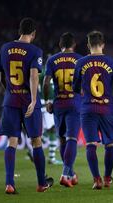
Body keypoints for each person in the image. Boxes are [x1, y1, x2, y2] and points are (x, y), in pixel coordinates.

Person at [0, 17, 53, 194]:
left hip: (11, 101)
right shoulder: (35, 50)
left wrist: (10, 91)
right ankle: (41, 183)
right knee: (36, 142)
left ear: (19, 31)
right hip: (29, 101)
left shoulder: (5, 48)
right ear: (33, 33)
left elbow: (1, 77)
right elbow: (34, 76)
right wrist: (34, 100)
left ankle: (9, 183)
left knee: (11, 142)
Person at [73, 30, 113, 190]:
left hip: (88, 108)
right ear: (103, 44)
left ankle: (96, 179)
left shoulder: (80, 63)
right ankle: (107, 178)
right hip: (106, 108)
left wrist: (82, 90)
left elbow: (75, 87)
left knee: (91, 144)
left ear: (88, 45)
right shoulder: (111, 62)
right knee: (109, 145)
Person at [44, 32, 82, 187]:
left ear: (60, 46)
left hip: (59, 104)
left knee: (62, 139)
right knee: (72, 138)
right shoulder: (80, 59)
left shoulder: (52, 60)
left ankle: (71, 174)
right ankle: (65, 173)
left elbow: (46, 83)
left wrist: (48, 101)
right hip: (75, 103)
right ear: (74, 45)